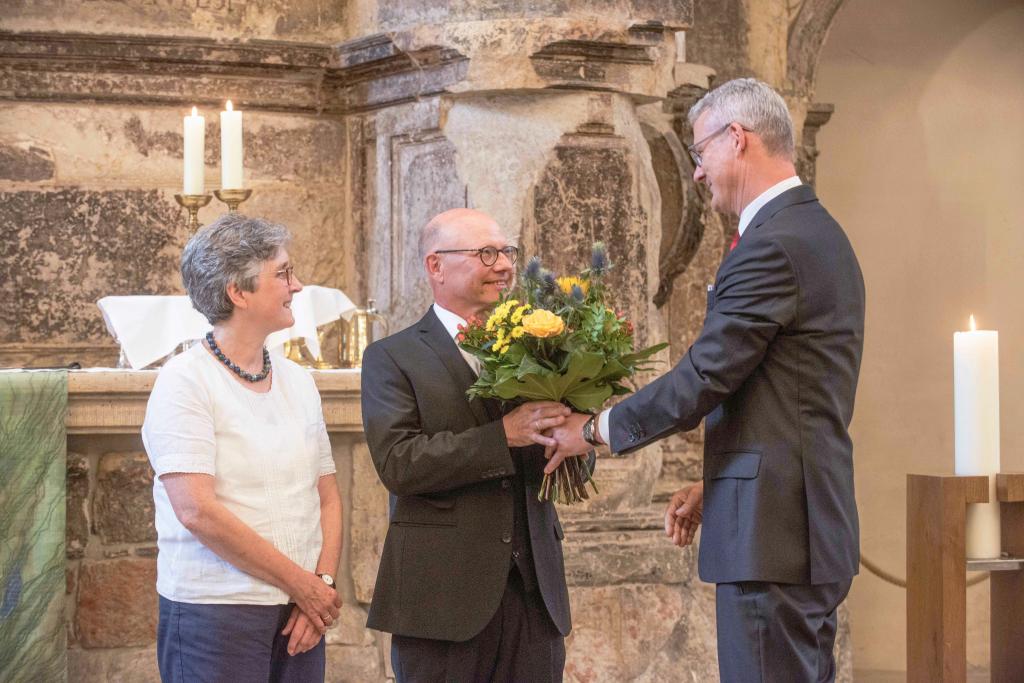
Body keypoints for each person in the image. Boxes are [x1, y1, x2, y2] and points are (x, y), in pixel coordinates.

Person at [546, 78, 865, 682]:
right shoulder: (813, 232)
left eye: (700, 153)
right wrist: (717, 482)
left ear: (737, 139)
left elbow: (705, 376)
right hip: (796, 522)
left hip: (775, 537)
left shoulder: (775, 244)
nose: (697, 173)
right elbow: (782, 395)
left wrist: (592, 431)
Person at [360, 208, 586, 682]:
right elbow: (399, 464)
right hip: (443, 603)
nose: (504, 265)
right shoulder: (392, 357)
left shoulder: (541, 345)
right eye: (486, 253)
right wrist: (501, 436)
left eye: (507, 252)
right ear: (435, 266)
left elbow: (563, 465)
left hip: (534, 598)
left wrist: (578, 442)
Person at [142, 214, 343, 682]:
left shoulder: (298, 380)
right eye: (283, 273)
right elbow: (197, 512)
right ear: (238, 292)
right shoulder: (185, 381)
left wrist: (321, 587)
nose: (297, 285)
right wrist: (304, 586)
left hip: (300, 612)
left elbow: (326, 495)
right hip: (216, 613)